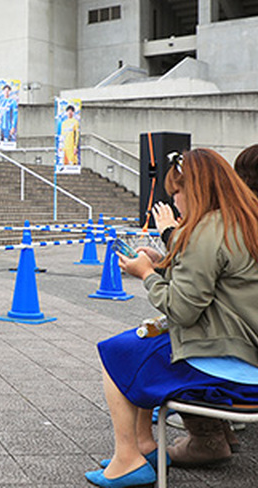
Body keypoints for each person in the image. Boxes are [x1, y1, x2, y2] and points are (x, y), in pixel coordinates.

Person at [86, 149, 258, 488]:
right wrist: (164, 264)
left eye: (176, 192)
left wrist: (147, 273)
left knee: (116, 353)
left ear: (194, 189)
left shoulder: (209, 229)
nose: (175, 201)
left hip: (227, 361)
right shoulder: (244, 220)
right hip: (245, 347)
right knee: (140, 345)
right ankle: (146, 447)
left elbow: (181, 308)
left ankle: (128, 461)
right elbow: (213, 286)